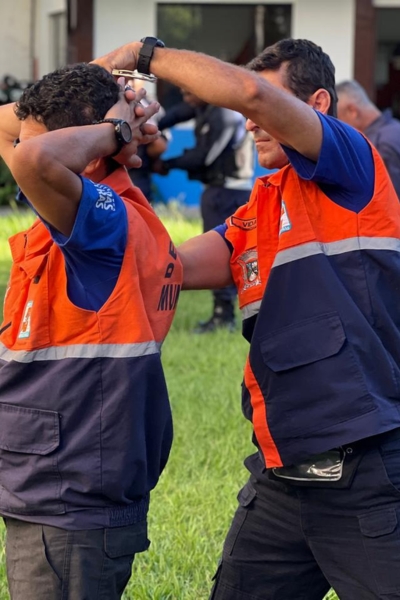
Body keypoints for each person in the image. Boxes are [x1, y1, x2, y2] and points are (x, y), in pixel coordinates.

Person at [96, 37, 400, 599]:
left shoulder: (354, 163)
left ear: (318, 105)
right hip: (281, 475)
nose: (250, 123)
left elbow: (248, 94)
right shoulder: (262, 204)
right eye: (251, 113)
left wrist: (142, 54)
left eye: (264, 108)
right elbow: (164, 266)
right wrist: (111, 163)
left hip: (368, 471)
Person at [0, 62, 182, 599]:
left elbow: (31, 158)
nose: (20, 155)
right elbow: (12, 132)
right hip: (58, 487)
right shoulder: (80, 209)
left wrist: (116, 128)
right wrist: (107, 87)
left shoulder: (102, 222)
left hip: (67, 501)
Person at [154, 89, 254, 332]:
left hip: (227, 193)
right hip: (221, 190)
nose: (185, 96)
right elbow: (179, 113)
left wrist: (167, 164)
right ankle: (227, 312)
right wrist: (153, 124)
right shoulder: (207, 105)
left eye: (190, 92)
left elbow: (203, 156)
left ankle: (224, 315)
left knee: (224, 253)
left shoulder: (224, 114)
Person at [336, 79, 400, 198]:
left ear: (352, 111)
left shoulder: (378, 145)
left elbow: (390, 201)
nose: (339, 128)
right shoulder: (395, 128)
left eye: (338, 120)